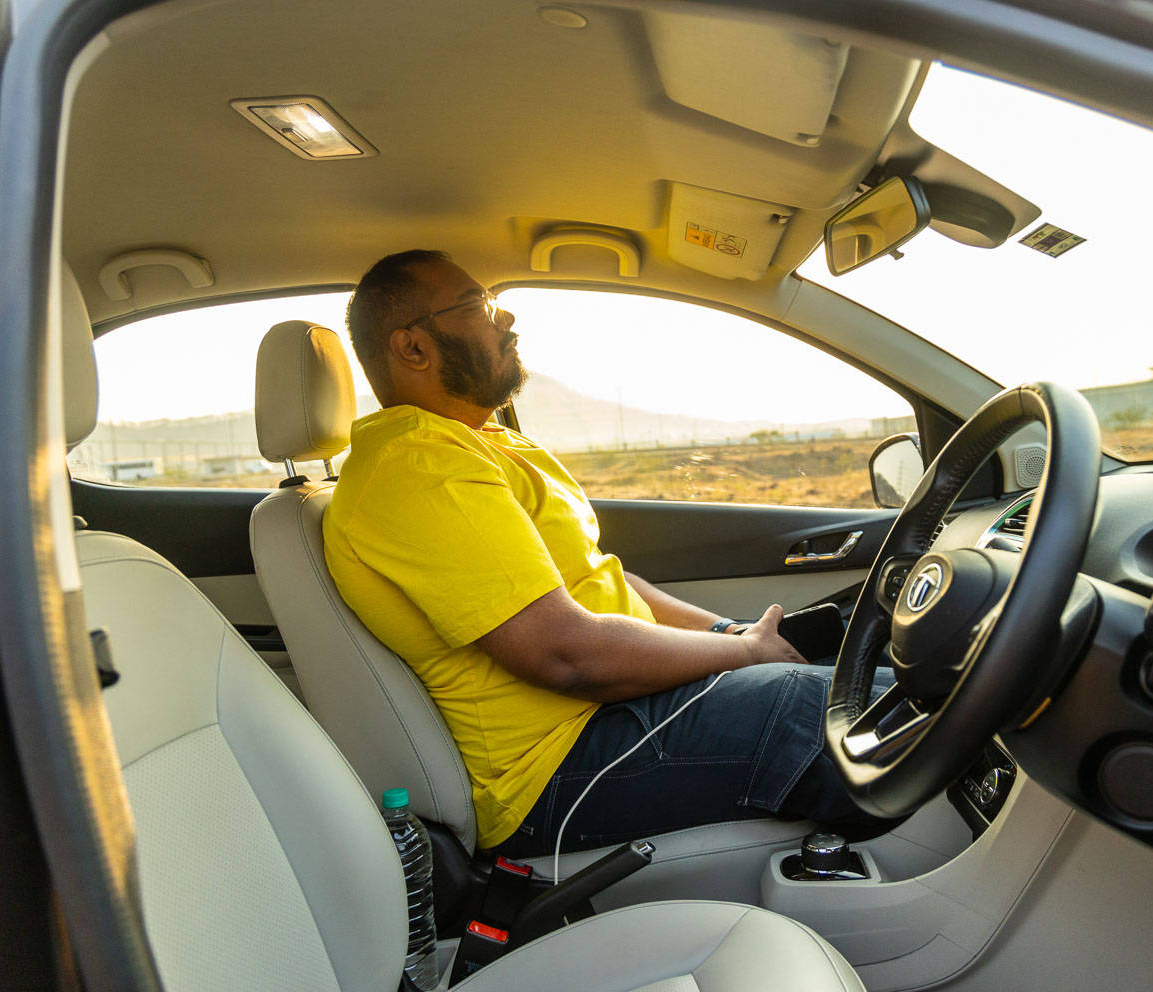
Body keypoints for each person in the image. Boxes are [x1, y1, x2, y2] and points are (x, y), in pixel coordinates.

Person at [324, 249, 893, 857]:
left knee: (868, 682)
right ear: (414, 349)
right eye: (479, 307)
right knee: (854, 710)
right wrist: (743, 653)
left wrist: (733, 634)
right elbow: (565, 654)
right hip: (558, 765)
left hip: (610, 714)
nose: (506, 318)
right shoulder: (416, 468)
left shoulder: (482, 445)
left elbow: (608, 578)